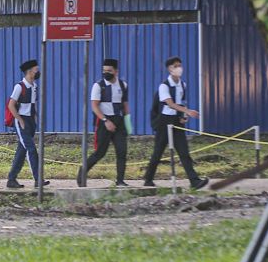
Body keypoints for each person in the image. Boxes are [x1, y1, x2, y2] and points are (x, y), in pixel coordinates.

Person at [143, 56, 209, 190]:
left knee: (184, 151)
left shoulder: (182, 85)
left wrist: (184, 115)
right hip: (164, 121)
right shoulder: (164, 86)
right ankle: (148, 179)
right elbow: (170, 104)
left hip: (177, 122)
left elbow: (181, 103)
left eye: (180, 65)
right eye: (175, 66)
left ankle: (194, 181)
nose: (178, 68)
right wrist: (188, 111)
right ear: (169, 69)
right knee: (158, 152)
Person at [77, 59, 130, 187]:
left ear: (116, 72)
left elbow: (125, 105)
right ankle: (81, 174)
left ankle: (120, 180)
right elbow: (94, 106)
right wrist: (105, 121)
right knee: (100, 152)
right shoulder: (98, 86)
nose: (106, 73)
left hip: (119, 121)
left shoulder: (123, 86)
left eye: (109, 71)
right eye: (104, 71)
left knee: (122, 151)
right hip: (103, 121)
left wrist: (128, 124)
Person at [5, 59, 48, 189]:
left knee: (21, 151)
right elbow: (11, 105)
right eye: (36, 70)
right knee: (31, 150)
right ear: (29, 72)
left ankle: (11, 179)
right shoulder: (19, 87)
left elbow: (33, 104)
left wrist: (34, 118)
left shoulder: (34, 86)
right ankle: (38, 179)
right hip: (21, 121)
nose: (38, 72)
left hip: (30, 122)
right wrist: (20, 120)